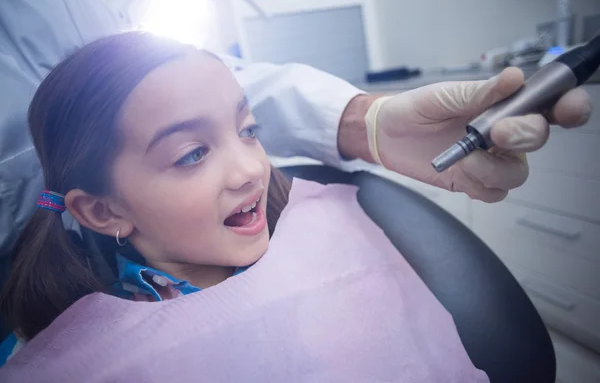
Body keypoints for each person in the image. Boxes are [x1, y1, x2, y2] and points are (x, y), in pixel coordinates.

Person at [0, 32, 488, 383]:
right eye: (191, 154)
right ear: (104, 212)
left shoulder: (321, 246)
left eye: (248, 130)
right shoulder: (58, 357)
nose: (250, 170)